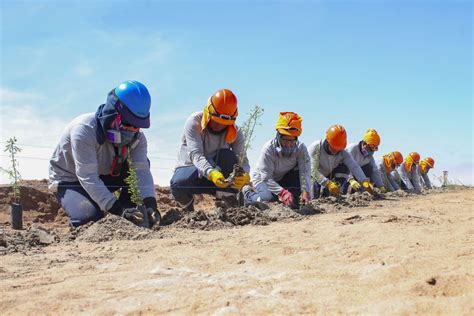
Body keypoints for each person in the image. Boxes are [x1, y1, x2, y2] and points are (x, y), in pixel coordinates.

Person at [49, 80, 160, 228]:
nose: (133, 130)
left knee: (142, 163)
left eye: (138, 126)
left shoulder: (138, 138)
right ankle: (100, 214)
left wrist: (150, 204)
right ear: (113, 114)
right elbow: (88, 177)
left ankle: (130, 213)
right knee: (88, 219)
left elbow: (142, 171)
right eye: (128, 124)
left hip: (103, 176)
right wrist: (119, 210)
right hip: (71, 181)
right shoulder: (84, 130)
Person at [170, 89, 250, 212]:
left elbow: (242, 159)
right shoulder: (194, 122)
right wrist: (211, 172)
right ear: (208, 112)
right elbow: (196, 155)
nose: (218, 126)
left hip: (220, 179)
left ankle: (228, 203)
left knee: (228, 156)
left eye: (224, 124)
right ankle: (186, 208)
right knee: (178, 184)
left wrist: (244, 175)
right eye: (216, 121)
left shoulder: (236, 132)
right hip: (193, 169)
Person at [242, 112, 311, 208]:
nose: (288, 144)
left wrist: (305, 191)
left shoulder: (301, 149)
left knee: (294, 201)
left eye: (292, 141)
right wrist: (282, 193)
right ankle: (248, 193)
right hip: (263, 179)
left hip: (283, 178)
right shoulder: (268, 149)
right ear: (278, 137)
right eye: (285, 140)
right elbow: (266, 177)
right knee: (268, 199)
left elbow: (304, 172)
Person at [309, 124, 372, 198]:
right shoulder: (316, 148)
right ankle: (311, 199)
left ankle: (330, 195)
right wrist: (327, 183)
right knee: (313, 192)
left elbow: (354, 166)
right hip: (313, 175)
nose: (336, 151)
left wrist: (363, 181)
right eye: (334, 148)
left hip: (329, 174)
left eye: (338, 148)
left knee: (344, 167)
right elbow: (312, 170)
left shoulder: (342, 152)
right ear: (328, 142)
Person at [345, 128, 386, 193]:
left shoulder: (369, 156)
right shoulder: (352, 149)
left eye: (374, 149)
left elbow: (375, 170)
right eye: (371, 148)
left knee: (369, 168)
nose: (372, 151)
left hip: (357, 175)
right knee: (343, 189)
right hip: (345, 173)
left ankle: (362, 190)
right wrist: (350, 179)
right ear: (364, 144)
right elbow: (345, 166)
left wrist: (380, 185)